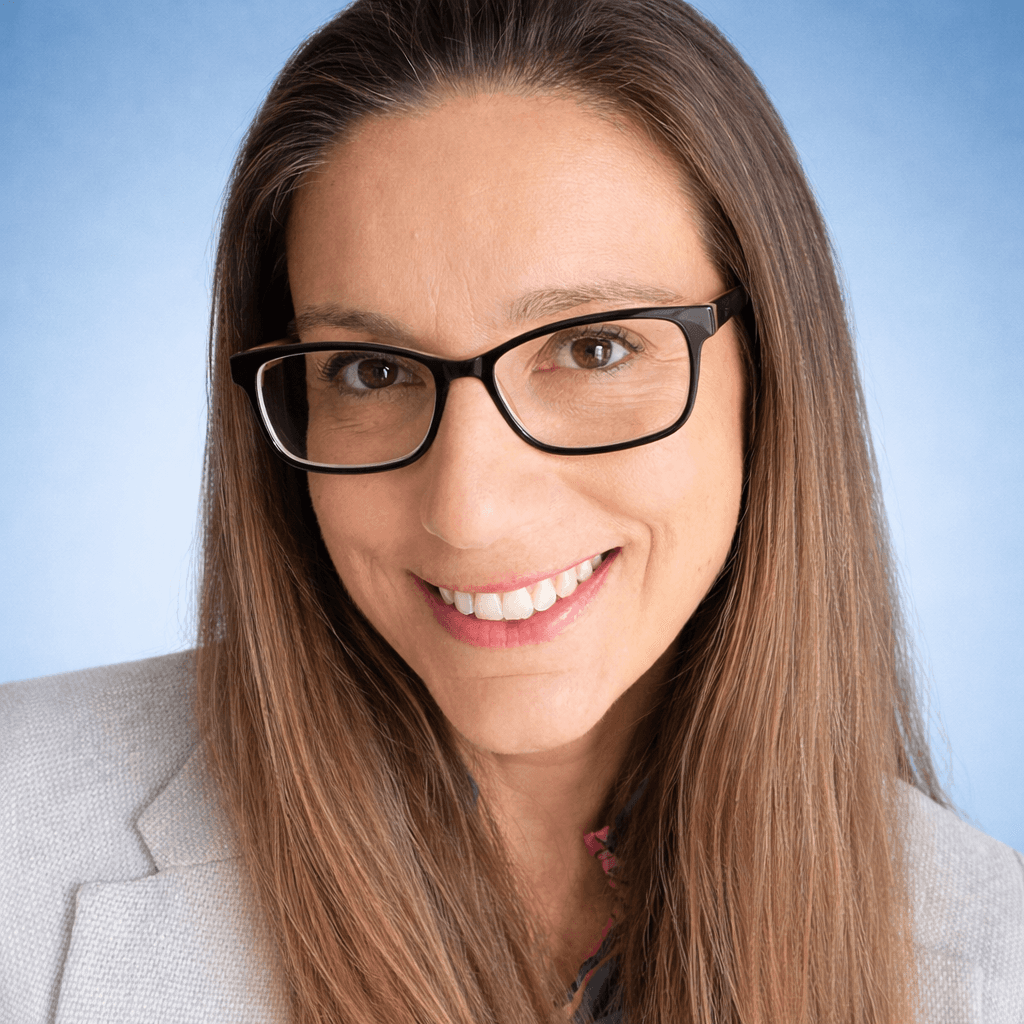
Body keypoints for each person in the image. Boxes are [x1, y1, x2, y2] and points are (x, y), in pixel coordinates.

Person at [2, 1, 1021, 1021]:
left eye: (592, 349)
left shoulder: (992, 961)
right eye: (371, 368)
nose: (470, 509)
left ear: (772, 376)